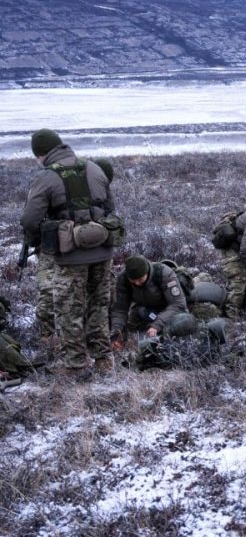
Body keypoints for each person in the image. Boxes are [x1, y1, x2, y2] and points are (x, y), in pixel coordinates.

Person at [19, 129, 115, 381]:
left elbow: (29, 220)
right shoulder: (95, 168)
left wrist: (42, 240)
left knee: (68, 309)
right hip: (103, 250)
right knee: (98, 305)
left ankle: (75, 365)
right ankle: (103, 360)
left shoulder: (47, 176)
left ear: (40, 154)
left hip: (70, 255)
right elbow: (110, 209)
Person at [34, 157, 115, 347]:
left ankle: (60, 342)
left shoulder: (72, 182)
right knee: (60, 295)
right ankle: (52, 339)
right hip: (64, 249)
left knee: (77, 297)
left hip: (70, 251)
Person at [110, 255, 190, 347]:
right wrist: (116, 332)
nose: (137, 283)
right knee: (131, 331)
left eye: (140, 279)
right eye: (133, 281)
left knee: (176, 328)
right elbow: (120, 309)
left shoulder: (164, 273)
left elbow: (178, 304)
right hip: (145, 310)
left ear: (147, 272)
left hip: (169, 310)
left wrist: (157, 325)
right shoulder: (123, 278)